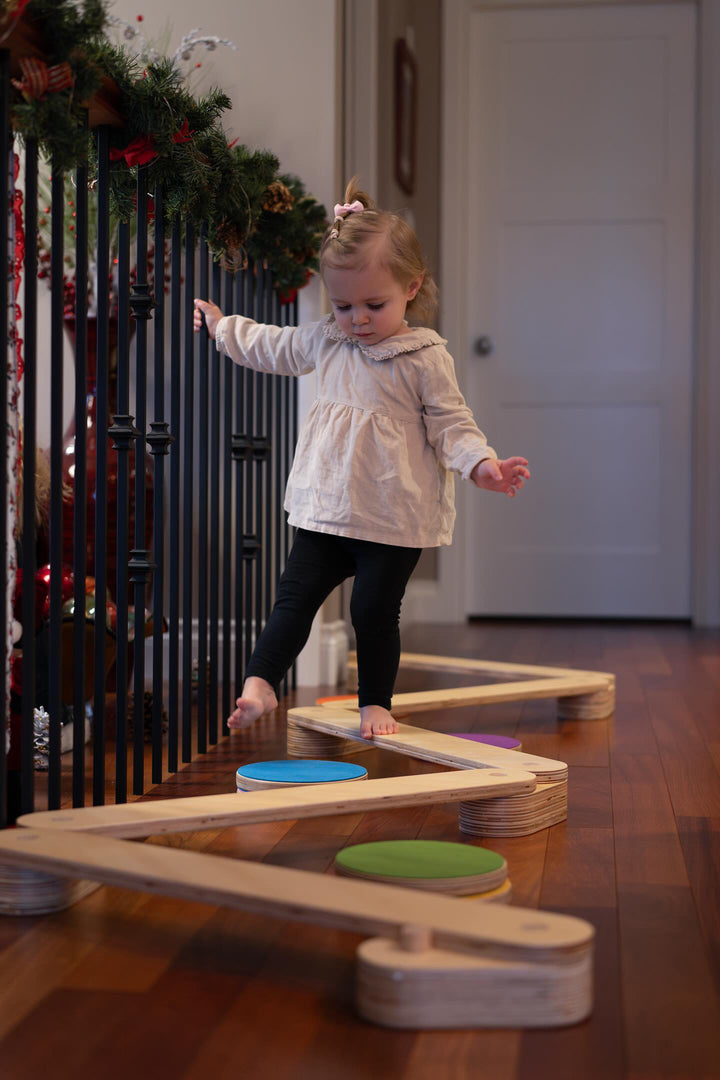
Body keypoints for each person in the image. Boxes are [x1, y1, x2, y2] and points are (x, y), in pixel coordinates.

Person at [193, 178, 530, 739]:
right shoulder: (327, 339)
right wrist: (223, 327)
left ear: (412, 287)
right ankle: (260, 684)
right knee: (293, 600)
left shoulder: (423, 358)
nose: (358, 319)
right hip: (326, 506)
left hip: (393, 517)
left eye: (375, 304)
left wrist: (483, 466)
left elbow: (452, 424)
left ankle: (375, 702)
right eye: (344, 305)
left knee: (373, 613)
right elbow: (272, 346)